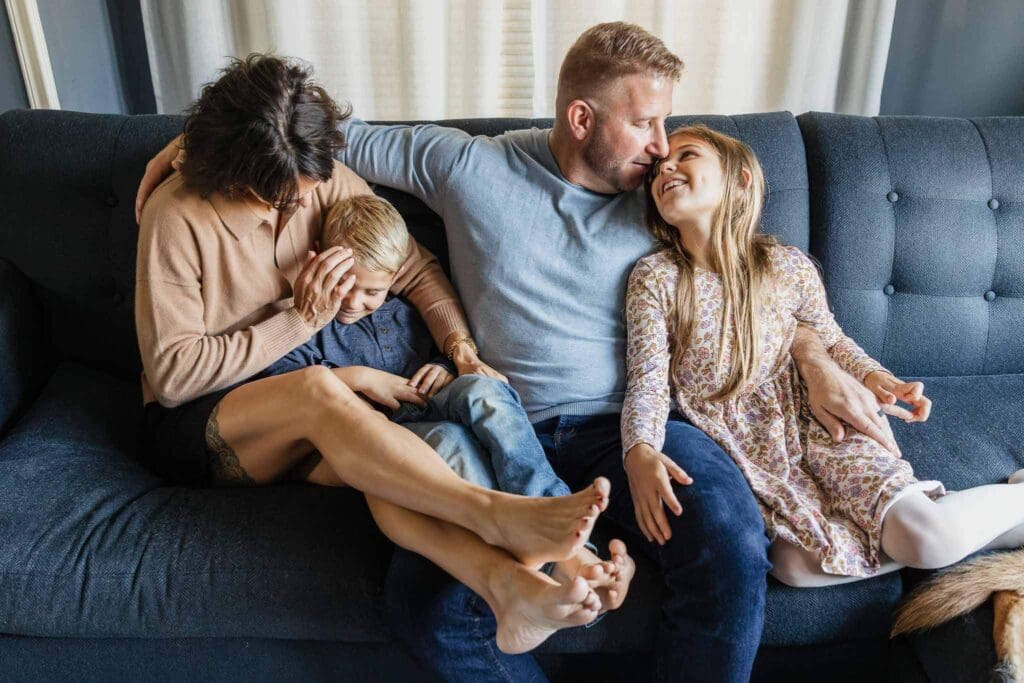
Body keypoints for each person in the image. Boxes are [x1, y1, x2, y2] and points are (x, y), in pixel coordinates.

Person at [136, 24, 904, 683]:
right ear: (581, 116)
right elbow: (332, 138)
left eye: (667, 128)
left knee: (731, 541)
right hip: (504, 424)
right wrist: (194, 144)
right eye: (644, 124)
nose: (664, 147)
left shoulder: (666, 196)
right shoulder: (468, 166)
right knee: (427, 607)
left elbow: (755, 275)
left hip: (637, 424)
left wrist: (810, 349)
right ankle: (524, 559)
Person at [134, 52, 616, 656]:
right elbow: (175, 376)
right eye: (277, 197)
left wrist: (461, 349)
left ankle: (524, 585)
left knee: (407, 460)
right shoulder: (176, 217)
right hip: (211, 422)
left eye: (307, 191)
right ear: (232, 172)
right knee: (318, 390)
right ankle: (499, 516)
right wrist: (299, 321)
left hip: (320, 421)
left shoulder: (316, 177)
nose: (298, 206)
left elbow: (413, 267)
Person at [626, 123, 1024, 588]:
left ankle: (949, 522)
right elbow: (648, 379)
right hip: (746, 450)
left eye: (686, 155)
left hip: (820, 426)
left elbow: (830, 339)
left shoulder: (784, 265)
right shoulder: (656, 277)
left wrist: (876, 377)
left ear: (740, 180)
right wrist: (641, 449)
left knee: (926, 540)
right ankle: (962, 521)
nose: (666, 167)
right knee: (792, 567)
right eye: (657, 167)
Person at [259, 192, 634, 601]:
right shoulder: (308, 320)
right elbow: (289, 389)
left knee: (485, 390)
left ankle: (562, 531)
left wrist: (444, 365)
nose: (354, 301)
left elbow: (441, 348)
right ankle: (560, 565)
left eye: (372, 291)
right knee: (450, 443)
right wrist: (359, 378)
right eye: (347, 284)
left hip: (428, 399)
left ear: (394, 279)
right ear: (321, 260)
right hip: (381, 434)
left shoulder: (402, 310)